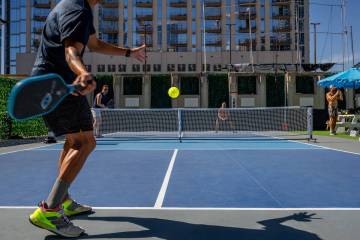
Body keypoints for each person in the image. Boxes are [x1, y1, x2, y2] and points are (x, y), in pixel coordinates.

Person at [29, 0, 145, 237]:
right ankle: (50, 210)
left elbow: (92, 44)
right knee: (85, 142)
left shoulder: (75, 7)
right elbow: (71, 51)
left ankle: (65, 201)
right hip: (60, 82)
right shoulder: (78, 9)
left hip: (51, 83)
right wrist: (83, 73)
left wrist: (128, 53)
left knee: (74, 141)